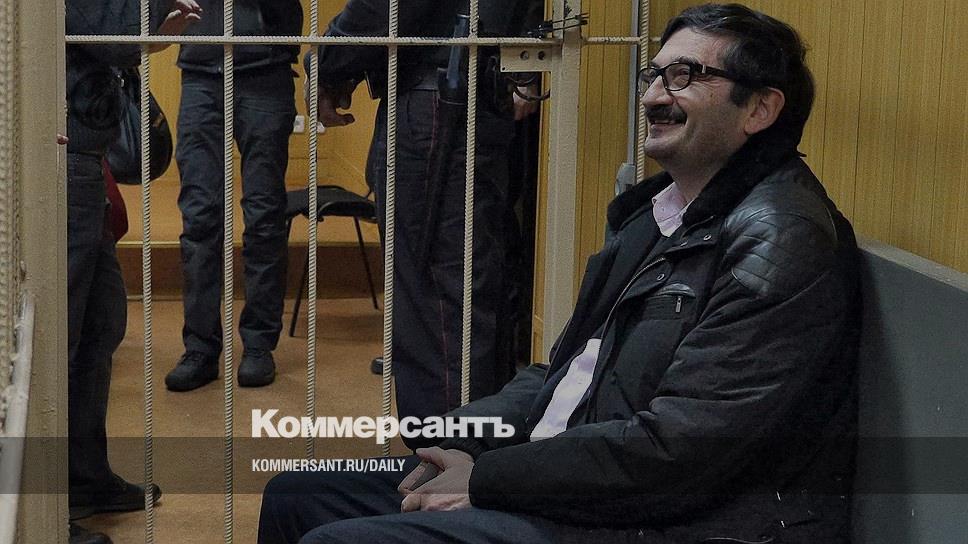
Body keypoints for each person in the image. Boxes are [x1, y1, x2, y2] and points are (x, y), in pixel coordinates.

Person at [258, 3, 861, 543]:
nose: (654, 96)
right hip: (575, 476)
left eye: (685, 76)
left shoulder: (781, 240)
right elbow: (566, 373)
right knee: (299, 494)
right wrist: (459, 437)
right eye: (653, 75)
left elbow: (680, 449)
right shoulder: (658, 215)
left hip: (667, 517)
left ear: (760, 108)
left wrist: (489, 478)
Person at [305, 0, 540, 446]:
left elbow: (387, 7)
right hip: (475, 84)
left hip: (439, 94)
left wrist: (328, 60)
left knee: (433, 299)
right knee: (467, 292)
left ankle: (445, 459)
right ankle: (474, 456)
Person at [65, 2, 202, 543]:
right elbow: (111, 31)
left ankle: (82, 478)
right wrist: (148, 28)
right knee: (58, 337)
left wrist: (146, 35)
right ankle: (42, 505)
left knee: (99, 324)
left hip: (81, 151)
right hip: (62, 153)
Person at [164, 0, 303, 391]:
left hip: (266, 67)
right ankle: (200, 348)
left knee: (264, 216)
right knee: (200, 215)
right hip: (201, 70)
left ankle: (258, 345)